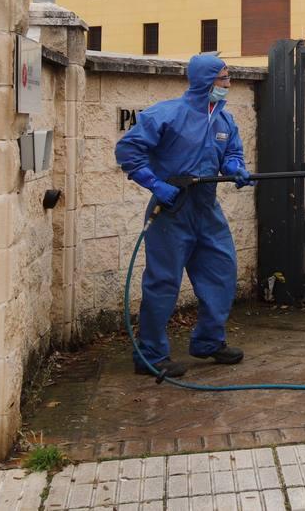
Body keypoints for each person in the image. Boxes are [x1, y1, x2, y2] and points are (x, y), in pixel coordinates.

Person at [115, 54, 253, 379]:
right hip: (171, 211)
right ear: (205, 80)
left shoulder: (224, 121)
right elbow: (128, 150)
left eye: (228, 77)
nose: (228, 84)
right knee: (163, 283)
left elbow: (232, 152)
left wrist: (235, 168)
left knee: (222, 272)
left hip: (207, 210)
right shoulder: (167, 115)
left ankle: (209, 342)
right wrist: (155, 184)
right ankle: (149, 355)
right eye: (223, 78)